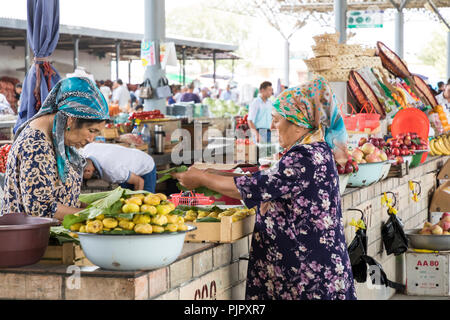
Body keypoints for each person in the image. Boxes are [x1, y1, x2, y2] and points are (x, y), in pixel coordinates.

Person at [172, 76, 355, 300]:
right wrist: (212, 173)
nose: (271, 127)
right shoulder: (317, 149)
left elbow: (252, 187)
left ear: (297, 123)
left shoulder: (304, 157)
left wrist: (202, 178)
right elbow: (271, 181)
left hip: (307, 278)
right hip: (314, 268)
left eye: (276, 120)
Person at [1, 77, 109, 220]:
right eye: (91, 131)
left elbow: (59, 197)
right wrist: (94, 215)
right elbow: (40, 209)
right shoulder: (35, 146)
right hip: (34, 240)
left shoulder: (56, 139)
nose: (91, 140)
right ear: (71, 119)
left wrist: (95, 208)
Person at [82, 142, 156, 193]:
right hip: (124, 166)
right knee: (125, 200)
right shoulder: (86, 149)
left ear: (87, 171)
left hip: (144, 165)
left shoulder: (112, 170)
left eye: (82, 177)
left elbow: (139, 181)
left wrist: (134, 202)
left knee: (147, 203)